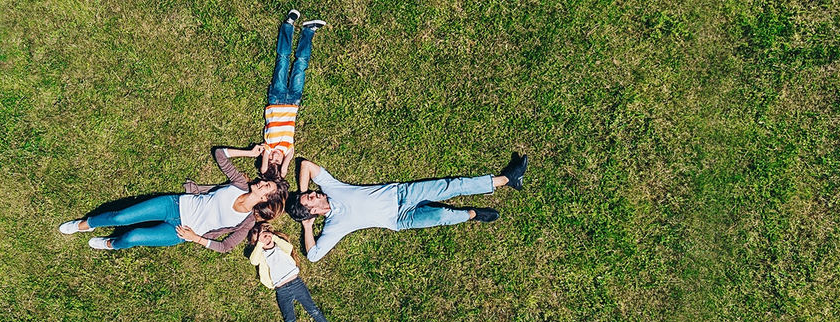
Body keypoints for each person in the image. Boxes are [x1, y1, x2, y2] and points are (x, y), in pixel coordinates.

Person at [286, 152, 530, 261]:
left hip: (403, 193)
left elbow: (306, 165)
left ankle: (507, 180)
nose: (314, 194)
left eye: (310, 193)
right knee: (444, 215)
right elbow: (314, 256)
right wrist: (308, 227)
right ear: (313, 212)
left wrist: (301, 192)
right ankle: (474, 214)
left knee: (452, 185)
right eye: (310, 200)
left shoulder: (331, 187)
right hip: (400, 220)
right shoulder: (334, 226)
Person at [59, 146, 286, 252]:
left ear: (265, 198)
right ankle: (84, 225)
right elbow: (220, 154)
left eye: (265, 186)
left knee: (132, 237)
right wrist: (249, 153)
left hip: (182, 231)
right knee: (121, 216)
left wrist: (196, 238)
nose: (261, 181)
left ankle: (111, 244)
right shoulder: (240, 184)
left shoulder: (246, 222)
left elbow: (226, 246)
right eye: (265, 181)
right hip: (174, 205)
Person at [247, 222, 349, 322]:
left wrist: (273, 237)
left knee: (314, 310)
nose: (264, 239)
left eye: (265, 236)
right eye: (259, 239)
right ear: (255, 243)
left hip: (296, 283)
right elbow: (253, 260)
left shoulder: (280, 247)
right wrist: (259, 244)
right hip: (281, 289)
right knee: (289, 321)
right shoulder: (261, 255)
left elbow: (289, 248)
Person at [259, 9, 327, 179]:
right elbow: (283, 170)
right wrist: (281, 171)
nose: (274, 157)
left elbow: (263, 169)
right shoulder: (289, 148)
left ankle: (288, 25)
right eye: (277, 160)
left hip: (276, 99)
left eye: (270, 160)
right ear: (283, 163)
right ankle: (308, 31)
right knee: (301, 65)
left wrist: (268, 166)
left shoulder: (269, 145)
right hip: (293, 102)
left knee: (282, 59)